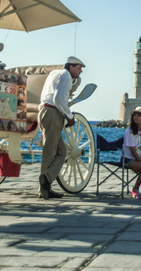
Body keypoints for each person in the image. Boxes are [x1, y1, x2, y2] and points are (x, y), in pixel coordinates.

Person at [38, 56, 85, 200]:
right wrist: (69, 116)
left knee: (61, 151)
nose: (80, 71)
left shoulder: (54, 73)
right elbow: (58, 99)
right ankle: (44, 184)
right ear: (71, 67)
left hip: (44, 111)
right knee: (50, 151)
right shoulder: (66, 77)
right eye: (79, 68)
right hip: (53, 113)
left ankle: (46, 181)